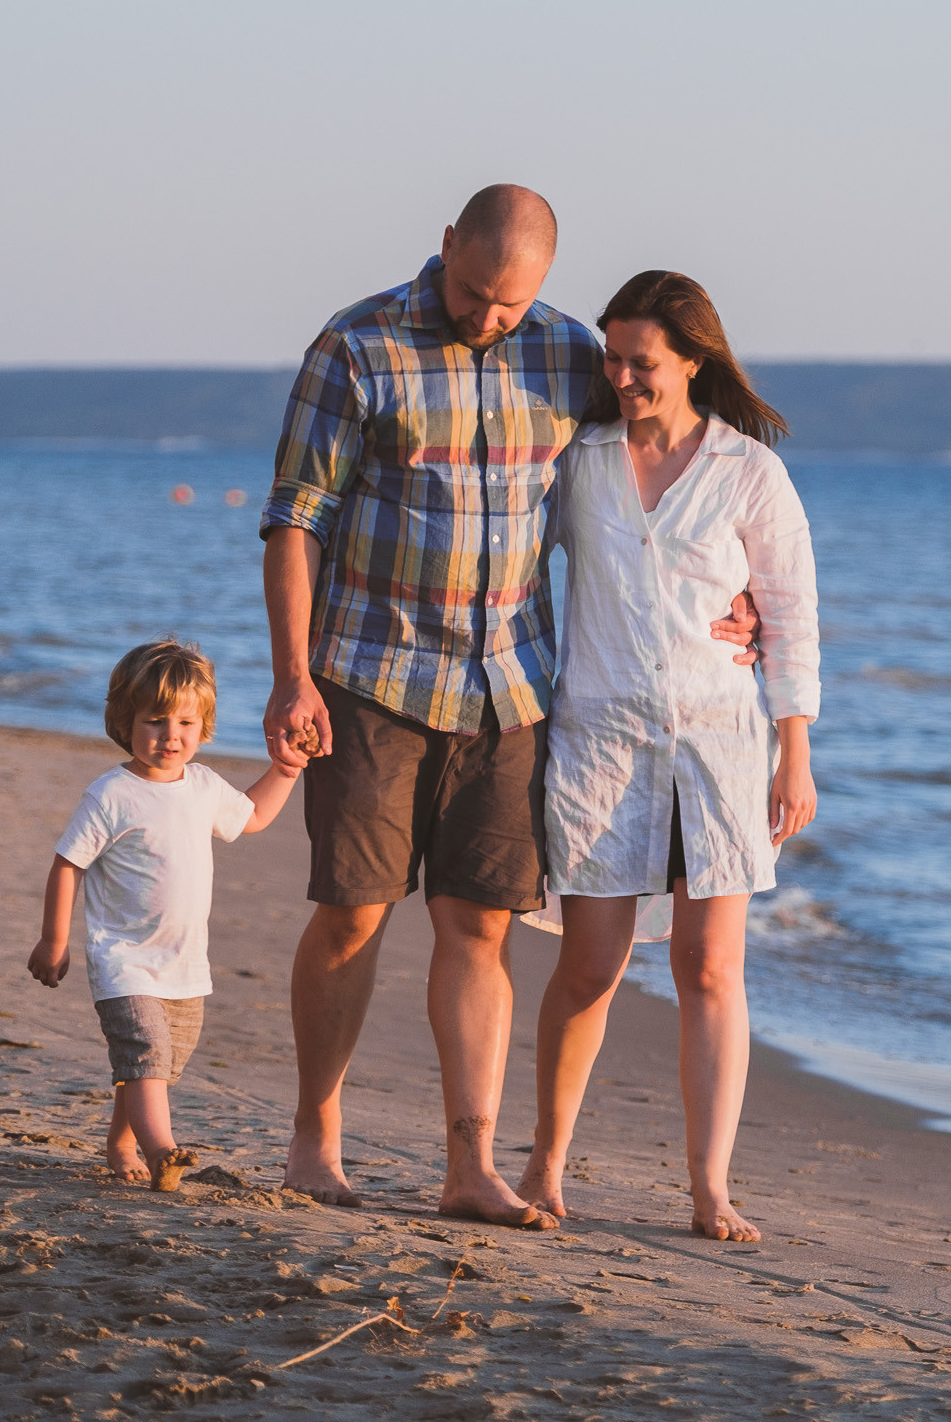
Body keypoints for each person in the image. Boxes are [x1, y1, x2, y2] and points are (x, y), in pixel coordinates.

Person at [260, 185, 761, 1227]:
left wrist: (734, 587)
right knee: (353, 913)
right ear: (444, 246)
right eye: (476, 292)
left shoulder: (569, 354)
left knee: (480, 925)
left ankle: (469, 1167)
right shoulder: (355, 349)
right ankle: (316, 1136)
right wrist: (290, 672)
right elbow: (296, 518)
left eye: (510, 301)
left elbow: (659, 462)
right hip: (373, 674)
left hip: (514, 690)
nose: (490, 316)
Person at [516, 270, 819, 1242]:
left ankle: (709, 1187)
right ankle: (545, 1163)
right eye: (612, 358)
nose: (622, 375)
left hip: (720, 744)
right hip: (600, 740)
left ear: (692, 358)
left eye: (641, 362)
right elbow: (512, 561)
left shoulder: (748, 472)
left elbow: (791, 611)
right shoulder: (580, 460)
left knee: (710, 968)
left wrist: (793, 749)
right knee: (590, 964)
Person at [26, 639, 307, 1187]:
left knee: (157, 1065)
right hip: (124, 961)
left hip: (184, 964)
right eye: (155, 721)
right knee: (148, 1053)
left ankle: (122, 1142)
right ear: (124, 721)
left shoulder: (202, 786)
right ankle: (164, 1152)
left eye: (186, 722)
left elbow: (249, 818)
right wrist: (52, 940)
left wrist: (287, 770)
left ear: (204, 727)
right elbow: (68, 864)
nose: (171, 735)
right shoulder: (111, 794)